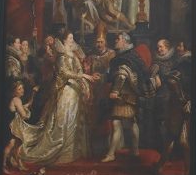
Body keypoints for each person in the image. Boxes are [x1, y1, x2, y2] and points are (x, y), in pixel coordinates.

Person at [19, 31, 96, 166]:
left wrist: (84, 80)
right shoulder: (61, 56)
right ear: (64, 40)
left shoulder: (73, 55)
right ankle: (62, 150)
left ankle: (73, 152)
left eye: (73, 38)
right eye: (70, 38)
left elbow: (78, 70)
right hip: (66, 90)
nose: (72, 40)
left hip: (75, 91)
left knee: (74, 119)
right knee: (64, 119)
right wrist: (82, 76)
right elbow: (63, 72)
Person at [101, 33, 145, 162]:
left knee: (123, 123)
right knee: (127, 123)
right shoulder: (126, 57)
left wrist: (115, 91)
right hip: (126, 96)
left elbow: (121, 75)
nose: (116, 41)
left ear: (125, 42)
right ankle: (129, 151)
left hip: (125, 96)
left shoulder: (127, 58)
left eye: (118, 39)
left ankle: (113, 153)